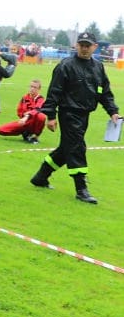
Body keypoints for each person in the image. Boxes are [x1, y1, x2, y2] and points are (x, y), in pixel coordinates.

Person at [29, 31, 120, 204]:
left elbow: (104, 92)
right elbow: (54, 91)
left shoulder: (98, 67)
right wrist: (50, 116)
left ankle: (41, 176)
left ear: (95, 47)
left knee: (66, 149)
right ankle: (81, 189)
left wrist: (112, 111)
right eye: (82, 45)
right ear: (76, 45)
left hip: (84, 115)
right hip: (68, 113)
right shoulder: (66, 65)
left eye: (88, 45)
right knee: (77, 147)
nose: (84, 48)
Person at [0, 79, 46, 143]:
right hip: (24, 122)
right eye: (31, 86)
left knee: (41, 116)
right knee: (1, 130)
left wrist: (27, 116)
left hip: (33, 123)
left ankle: (35, 136)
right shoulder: (25, 97)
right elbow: (19, 110)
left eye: (35, 87)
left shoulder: (40, 99)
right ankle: (25, 133)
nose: (32, 89)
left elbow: (37, 109)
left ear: (39, 89)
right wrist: (23, 116)